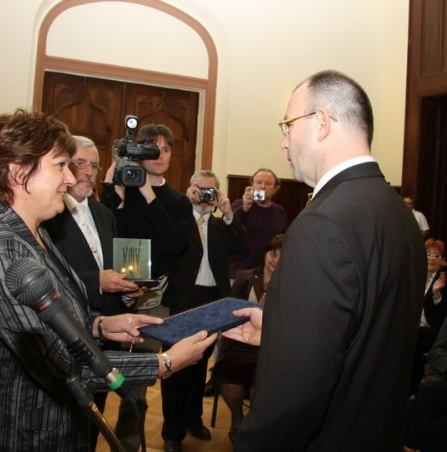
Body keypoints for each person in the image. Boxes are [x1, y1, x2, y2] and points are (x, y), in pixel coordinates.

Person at [0, 109, 216, 451]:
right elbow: (63, 366)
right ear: (19, 172)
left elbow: (49, 319)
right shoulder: (1, 249)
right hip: (11, 433)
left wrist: (100, 325)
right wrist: (164, 362)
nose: (70, 178)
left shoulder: (33, 233)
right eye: (61, 165)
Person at [222, 70, 427, 451]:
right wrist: (284, 330)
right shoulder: (397, 212)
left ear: (321, 122)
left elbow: (292, 400)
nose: (284, 142)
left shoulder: (321, 222)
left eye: (287, 125)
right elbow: (367, 330)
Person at [40, 135, 143, 448]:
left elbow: (113, 269)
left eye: (94, 166)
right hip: (64, 333)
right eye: (79, 163)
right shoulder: (47, 213)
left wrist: (126, 292)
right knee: (63, 424)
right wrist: (97, 281)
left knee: (93, 418)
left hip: (106, 334)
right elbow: (47, 278)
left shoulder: (104, 213)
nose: (87, 171)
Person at [101, 123, 194, 451]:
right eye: (152, 149)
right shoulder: (121, 192)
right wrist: (113, 188)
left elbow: (175, 244)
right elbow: (104, 233)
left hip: (154, 301)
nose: (159, 155)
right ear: (138, 153)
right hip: (111, 299)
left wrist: (149, 195)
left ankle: (128, 444)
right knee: (101, 377)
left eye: (165, 149)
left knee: (136, 382)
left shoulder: (178, 201)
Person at [160, 170, 248, 452]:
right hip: (183, 301)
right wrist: (184, 205)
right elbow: (167, 242)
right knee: (175, 368)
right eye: (199, 189)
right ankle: (172, 432)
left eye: (211, 190)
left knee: (199, 365)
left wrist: (229, 213)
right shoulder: (179, 221)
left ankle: (193, 419)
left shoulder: (221, 226)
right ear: (190, 190)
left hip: (212, 301)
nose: (204, 195)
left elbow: (242, 246)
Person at [214, 233, 283, 443]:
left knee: (259, 380)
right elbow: (229, 311)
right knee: (228, 376)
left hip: (268, 344)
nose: (275, 259)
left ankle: (255, 424)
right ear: (265, 254)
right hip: (239, 340)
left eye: (282, 255)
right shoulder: (245, 276)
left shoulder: (291, 282)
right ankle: (237, 419)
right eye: (273, 253)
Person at [228, 168, 287, 280]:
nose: (262, 186)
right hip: (238, 275)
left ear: (275, 189)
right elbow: (227, 227)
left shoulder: (280, 212)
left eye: (268, 183)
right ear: (252, 185)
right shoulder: (239, 205)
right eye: (259, 182)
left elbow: (281, 243)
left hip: (266, 276)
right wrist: (244, 208)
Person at [405, 315, 447, 452]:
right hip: (443, 381)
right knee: (435, 424)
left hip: (435, 389)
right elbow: (436, 352)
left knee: (428, 391)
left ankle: (409, 447)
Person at [410, 238, 447, 394]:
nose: (431, 259)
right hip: (415, 327)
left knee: (413, 335)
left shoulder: (443, 281)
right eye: (428, 254)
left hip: (435, 331)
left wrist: (437, 295)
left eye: (436, 256)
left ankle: (413, 387)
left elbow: (439, 318)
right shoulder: (415, 277)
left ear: (442, 261)